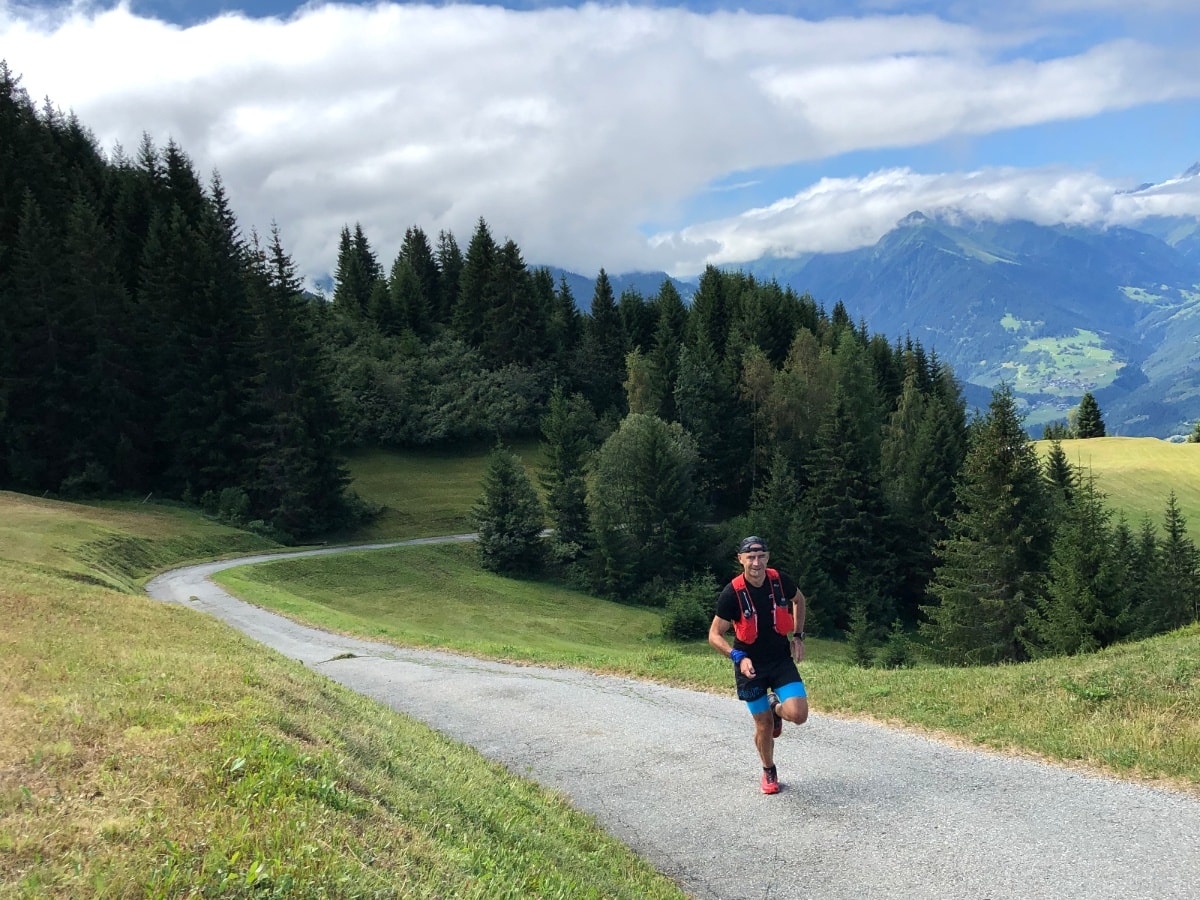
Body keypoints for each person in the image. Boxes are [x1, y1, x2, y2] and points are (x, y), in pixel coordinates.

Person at [708, 535, 808, 794]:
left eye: (761, 556)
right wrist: (737, 657)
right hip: (749, 665)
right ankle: (769, 770)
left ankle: (777, 708)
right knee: (762, 724)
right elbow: (714, 635)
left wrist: (797, 636)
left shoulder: (780, 581)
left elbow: (800, 601)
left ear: (768, 557)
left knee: (799, 714)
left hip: (780, 660)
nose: (756, 562)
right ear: (740, 559)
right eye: (750, 557)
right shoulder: (732, 594)